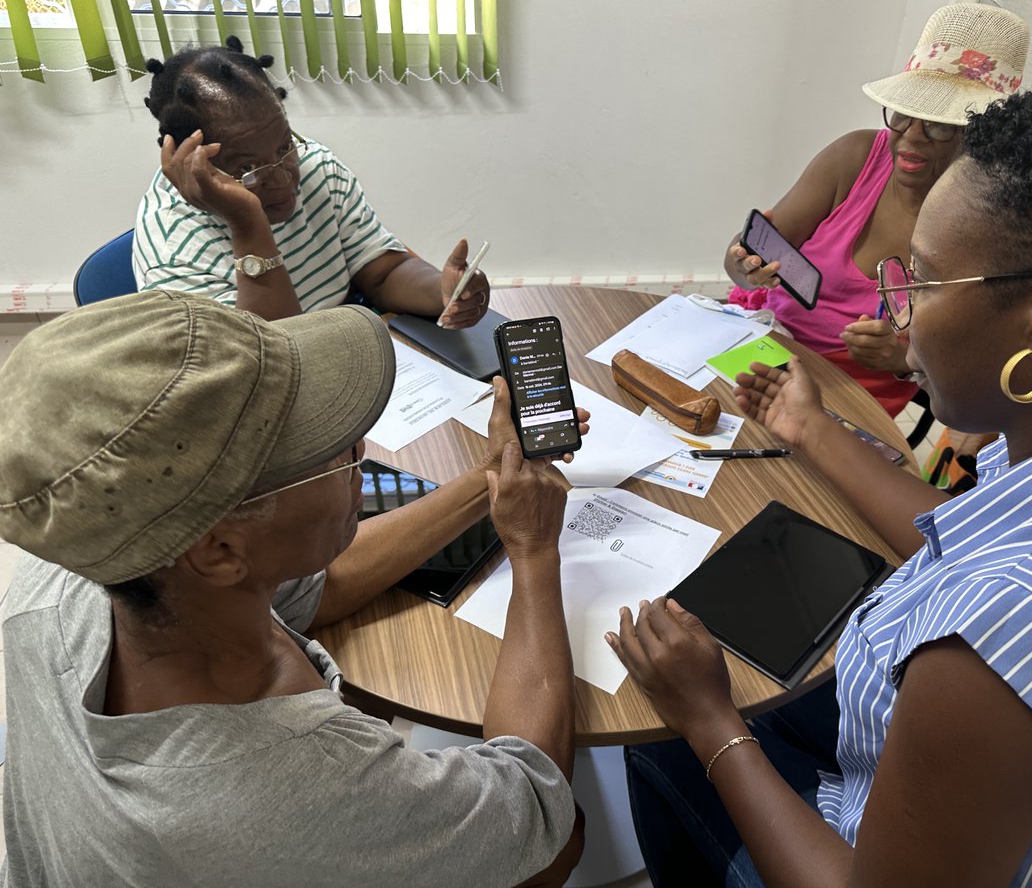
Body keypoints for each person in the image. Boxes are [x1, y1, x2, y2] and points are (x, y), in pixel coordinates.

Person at [611, 76, 1032, 887]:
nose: (897, 311)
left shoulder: (998, 649)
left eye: (920, 281)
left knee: (660, 740)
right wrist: (809, 427)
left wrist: (709, 722)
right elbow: (961, 531)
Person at [0, 290, 592, 886]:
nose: (357, 449)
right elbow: (537, 815)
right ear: (222, 550)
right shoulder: (301, 787)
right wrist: (535, 551)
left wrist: (490, 481)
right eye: (327, 450)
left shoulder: (82, 566)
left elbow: (318, 589)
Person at [724, 3, 1028, 417]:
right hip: (765, 344)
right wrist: (742, 262)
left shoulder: (990, 220)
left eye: (939, 125)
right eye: (903, 116)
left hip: (850, 395)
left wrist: (899, 358)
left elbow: (972, 365)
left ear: (980, 136)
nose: (909, 140)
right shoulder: (855, 156)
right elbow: (751, 251)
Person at [133, 36, 490, 325]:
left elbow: (380, 273)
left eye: (284, 145)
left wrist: (444, 291)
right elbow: (269, 360)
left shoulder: (316, 165)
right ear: (189, 161)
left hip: (348, 350)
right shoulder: (172, 251)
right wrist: (247, 222)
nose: (283, 177)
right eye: (247, 168)